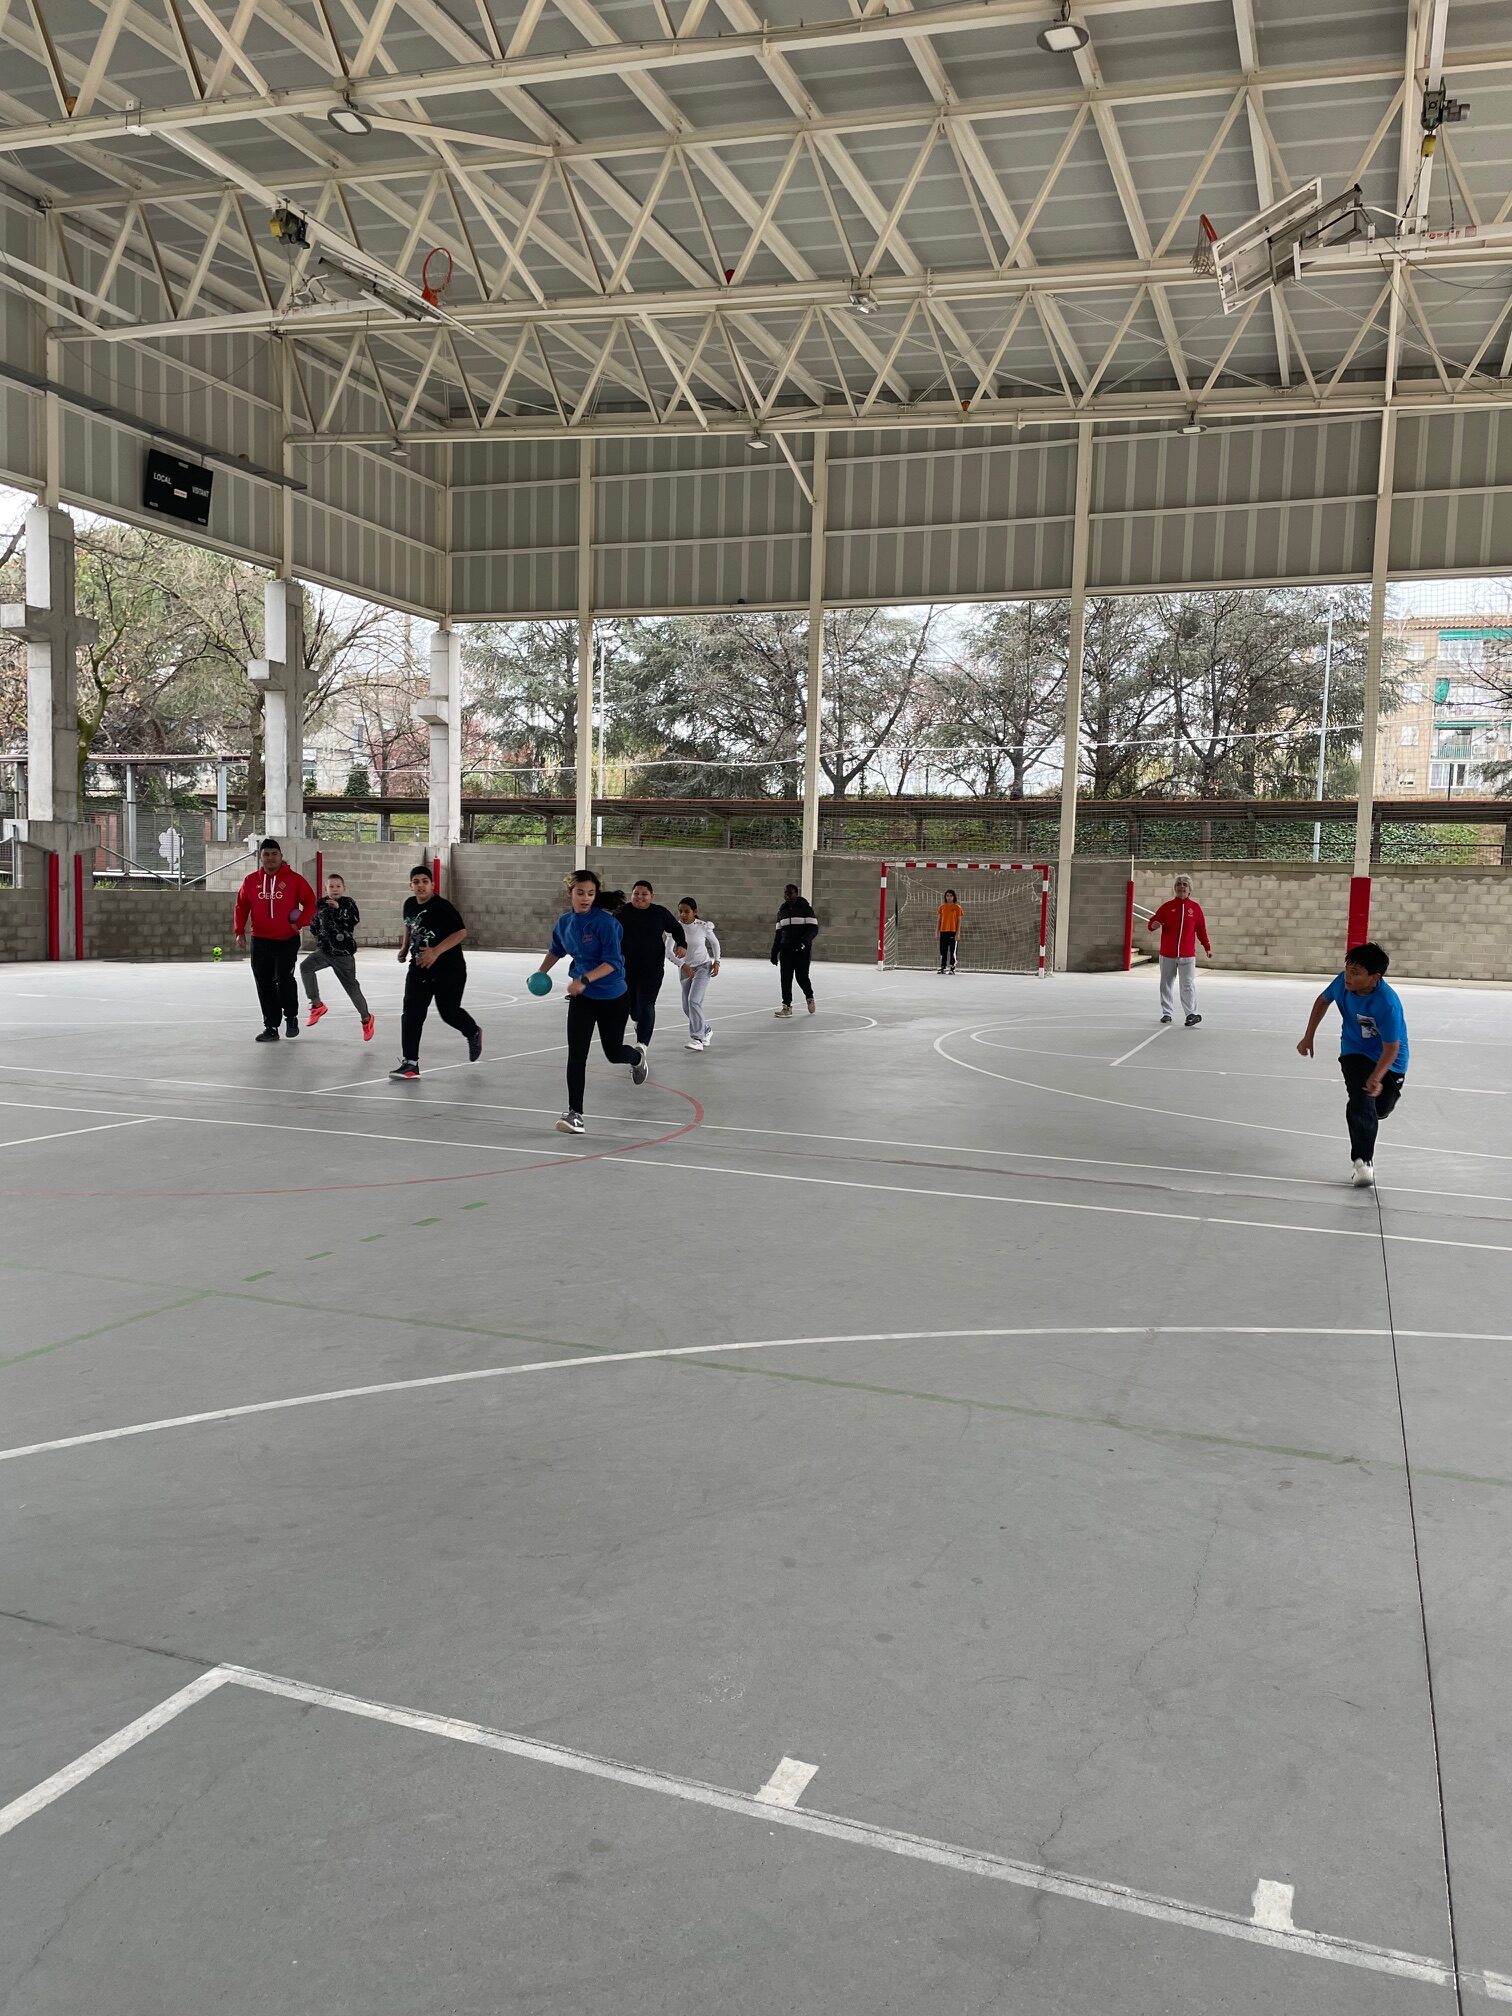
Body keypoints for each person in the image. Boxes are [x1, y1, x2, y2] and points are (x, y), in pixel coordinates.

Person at [539, 867, 648, 1135]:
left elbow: (612, 963)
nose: (585, 898)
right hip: (583, 998)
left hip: (612, 996)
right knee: (577, 1054)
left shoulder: (606, 923)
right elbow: (556, 949)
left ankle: (636, 1057)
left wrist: (584, 979)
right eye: (580, 893)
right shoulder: (565, 922)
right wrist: (541, 972)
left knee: (613, 1053)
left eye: (590, 893)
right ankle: (575, 1114)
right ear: (570, 893)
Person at [1296, 941, 1409, 1188]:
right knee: (1361, 1100)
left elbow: (1392, 1047)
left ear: (1374, 978)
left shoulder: (1387, 1004)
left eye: (1355, 972)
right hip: (1354, 1050)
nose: (1348, 976)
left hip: (1390, 1059)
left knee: (1379, 1109)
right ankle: (1362, 1162)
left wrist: (1377, 1076)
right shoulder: (1342, 983)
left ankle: (1373, 1113)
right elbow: (1322, 1001)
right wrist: (1308, 1036)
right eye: (1347, 969)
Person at [389, 865, 481, 1081]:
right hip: (419, 967)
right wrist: (404, 948)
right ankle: (410, 1063)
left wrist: (435, 951)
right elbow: (409, 926)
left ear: (432, 885)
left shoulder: (442, 907)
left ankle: (472, 1032)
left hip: (449, 969)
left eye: (424, 881)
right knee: (411, 1014)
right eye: (416, 882)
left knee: (449, 1012)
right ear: (410, 886)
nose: (420, 885)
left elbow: (461, 932)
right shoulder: (409, 904)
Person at [233, 837, 315, 1043]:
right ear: (260, 858)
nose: (270, 858)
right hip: (260, 940)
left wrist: (301, 922)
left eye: (274, 854)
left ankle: (291, 1017)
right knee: (264, 983)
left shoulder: (294, 880)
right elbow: (241, 906)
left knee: (284, 979)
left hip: (286, 939)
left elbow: (310, 901)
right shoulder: (250, 881)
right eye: (266, 854)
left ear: (281, 856)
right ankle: (271, 1026)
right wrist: (239, 931)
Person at [302, 872, 375, 1041]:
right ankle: (317, 1005)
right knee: (305, 967)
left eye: (338, 886)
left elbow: (353, 921)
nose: (334, 889)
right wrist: (312, 925)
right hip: (325, 951)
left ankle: (366, 1018)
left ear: (344, 888)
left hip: (343, 954)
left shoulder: (348, 903)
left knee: (352, 988)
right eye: (331, 886)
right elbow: (315, 925)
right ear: (326, 888)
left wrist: (338, 909)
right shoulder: (321, 904)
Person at [616, 879, 687, 1047]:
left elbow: (676, 928)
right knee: (633, 1008)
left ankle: (642, 1046)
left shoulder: (659, 913)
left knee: (647, 1004)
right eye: (636, 894)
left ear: (651, 896)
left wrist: (681, 944)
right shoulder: (622, 912)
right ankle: (638, 1020)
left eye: (644, 894)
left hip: (652, 969)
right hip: (625, 968)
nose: (640, 897)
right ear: (631, 895)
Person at [1146, 874, 1212, 1026]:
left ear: (1189, 889)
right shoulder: (1167, 907)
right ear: (1175, 888)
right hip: (1167, 954)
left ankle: (1191, 1014)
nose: (1181, 887)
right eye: (1178, 884)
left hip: (1187, 955)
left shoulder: (1195, 908)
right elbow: (1153, 922)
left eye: (1184, 884)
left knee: (1187, 984)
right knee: (1166, 983)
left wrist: (1207, 947)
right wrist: (1152, 925)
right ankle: (1167, 1013)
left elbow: (1201, 930)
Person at [674, 898, 721, 1052]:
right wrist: (682, 965)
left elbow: (715, 943)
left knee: (694, 1001)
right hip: (685, 969)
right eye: (680, 911)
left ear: (694, 912)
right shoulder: (675, 928)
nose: (683, 914)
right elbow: (668, 952)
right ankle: (706, 1030)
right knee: (686, 1007)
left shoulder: (703, 926)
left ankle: (697, 1039)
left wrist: (717, 961)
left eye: (686, 911)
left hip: (703, 967)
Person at [771, 882, 819, 1016]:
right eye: (785, 893)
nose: (787, 896)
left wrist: (804, 942)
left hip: (802, 950)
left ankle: (809, 997)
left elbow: (813, 929)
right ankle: (786, 1006)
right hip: (786, 950)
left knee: (801, 977)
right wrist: (774, 952)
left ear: (796, 894)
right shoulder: (782, 912)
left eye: (790, 893)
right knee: (785, 978)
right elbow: (778, 934)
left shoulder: (806, 909)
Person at [937, 888, 962, 975]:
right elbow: (939, 920)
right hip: (943, 931)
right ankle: (943, 967)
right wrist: (937, 932)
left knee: (952, 951)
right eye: (947, 896)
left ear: (954, 897)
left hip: (953, 932)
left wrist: (958, 933)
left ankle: (952, 968)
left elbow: (959, 921)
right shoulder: (941, 907)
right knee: (943, 950)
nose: (949, 897)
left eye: (951, 896)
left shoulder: (957, 907)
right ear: (945, 897)